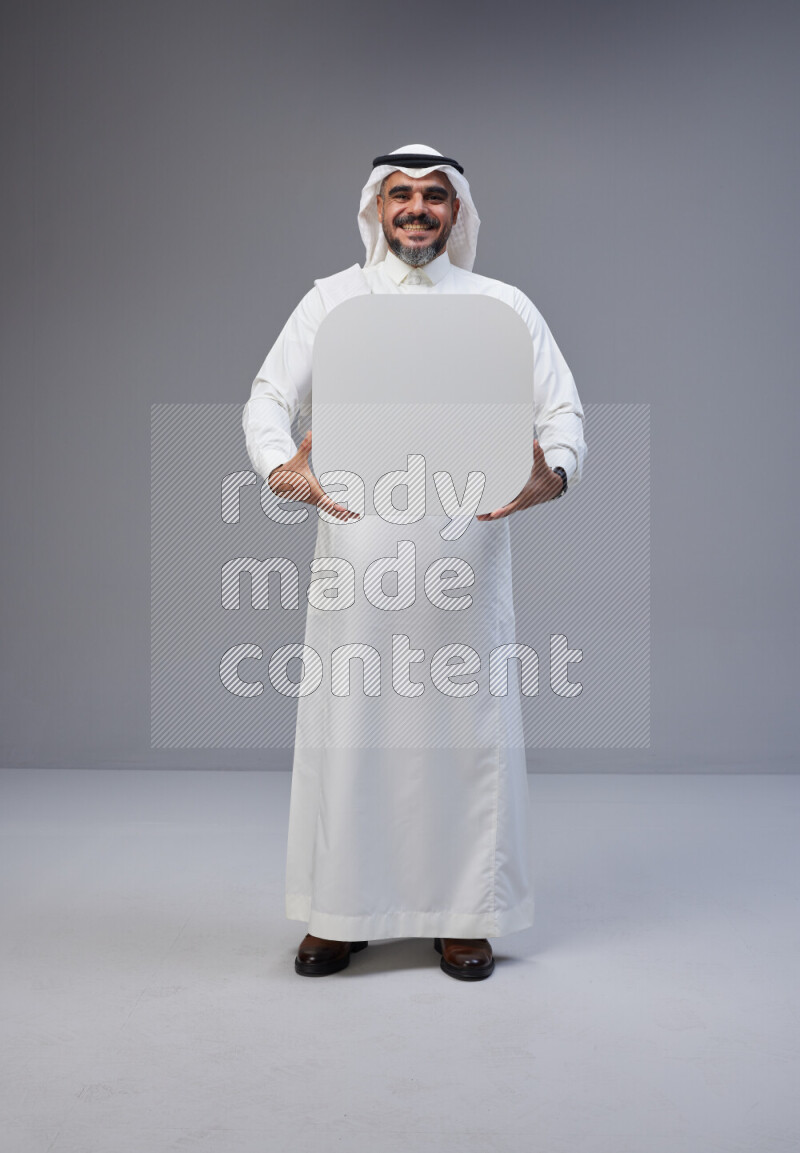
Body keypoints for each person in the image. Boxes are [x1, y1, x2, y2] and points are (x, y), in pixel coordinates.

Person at [242, 144, 586, 981]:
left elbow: (563, 409)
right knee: (352, 736)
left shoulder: (503, 306)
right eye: (401, 195)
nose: (418, 209)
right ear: (376, 208)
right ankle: (341, 913)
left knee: (464, 740)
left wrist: (556, 474)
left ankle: (465, 916)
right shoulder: (333, 300)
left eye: (435, 196)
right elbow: (267, 398)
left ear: (458, 211)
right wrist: (281, 467)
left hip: (465, 560)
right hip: (357, 560)